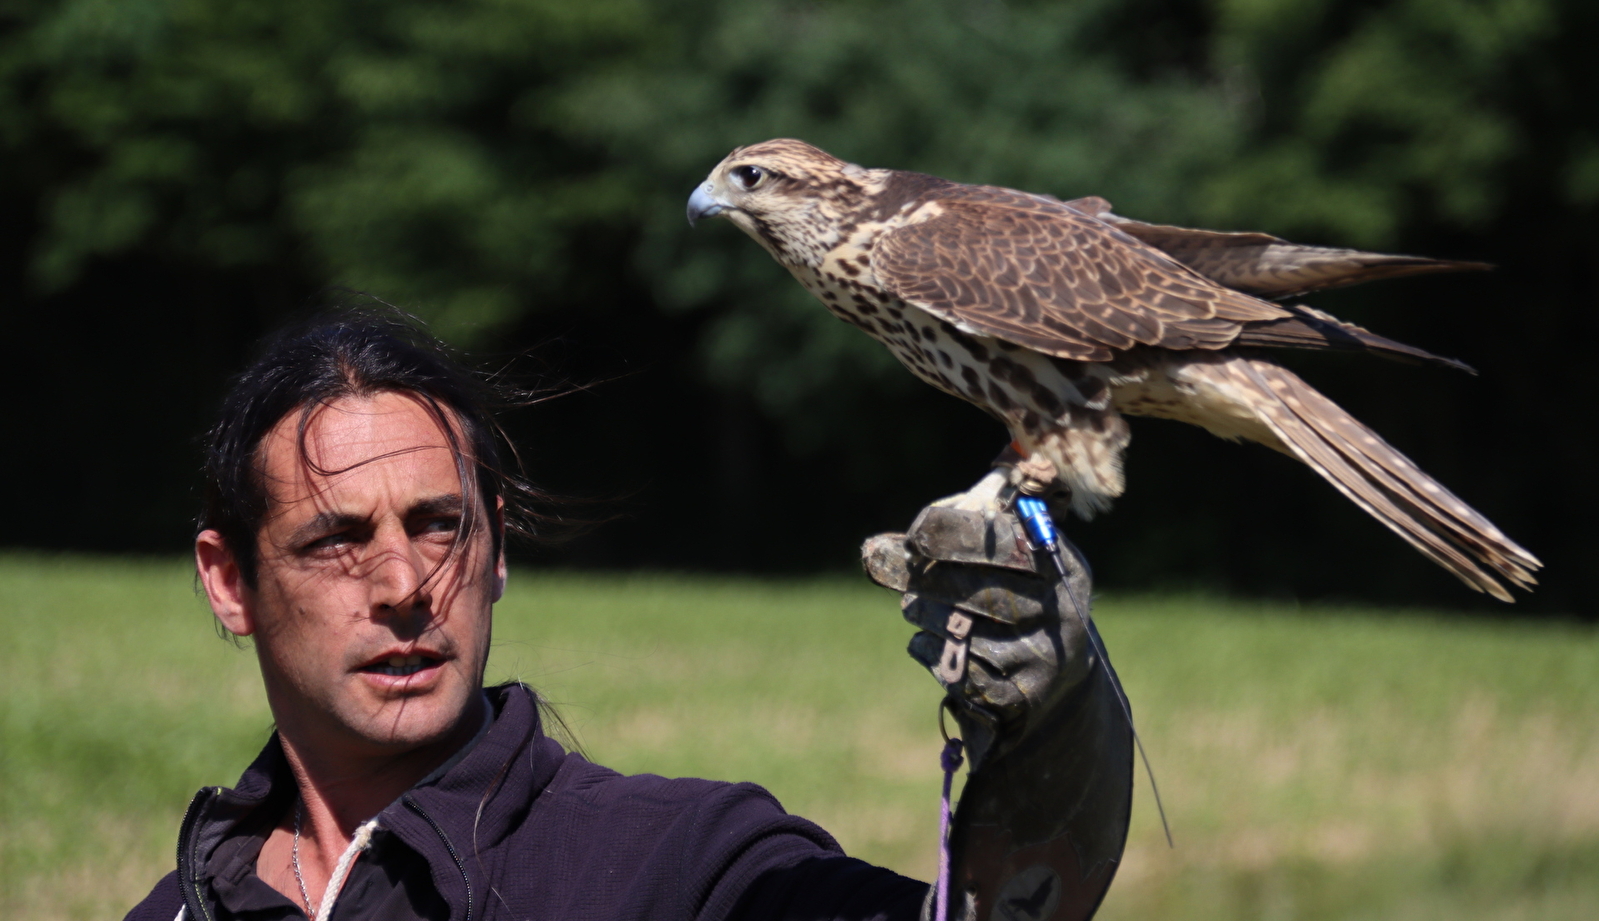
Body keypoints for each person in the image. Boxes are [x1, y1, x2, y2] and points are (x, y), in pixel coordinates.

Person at [123, 310, 1133, 921]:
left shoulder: (680, 866)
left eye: (440, 525)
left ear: (497, 549)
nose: (404, 583)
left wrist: (1059, 727)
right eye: (337, 539)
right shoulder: (181, 907)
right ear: (229, 582)